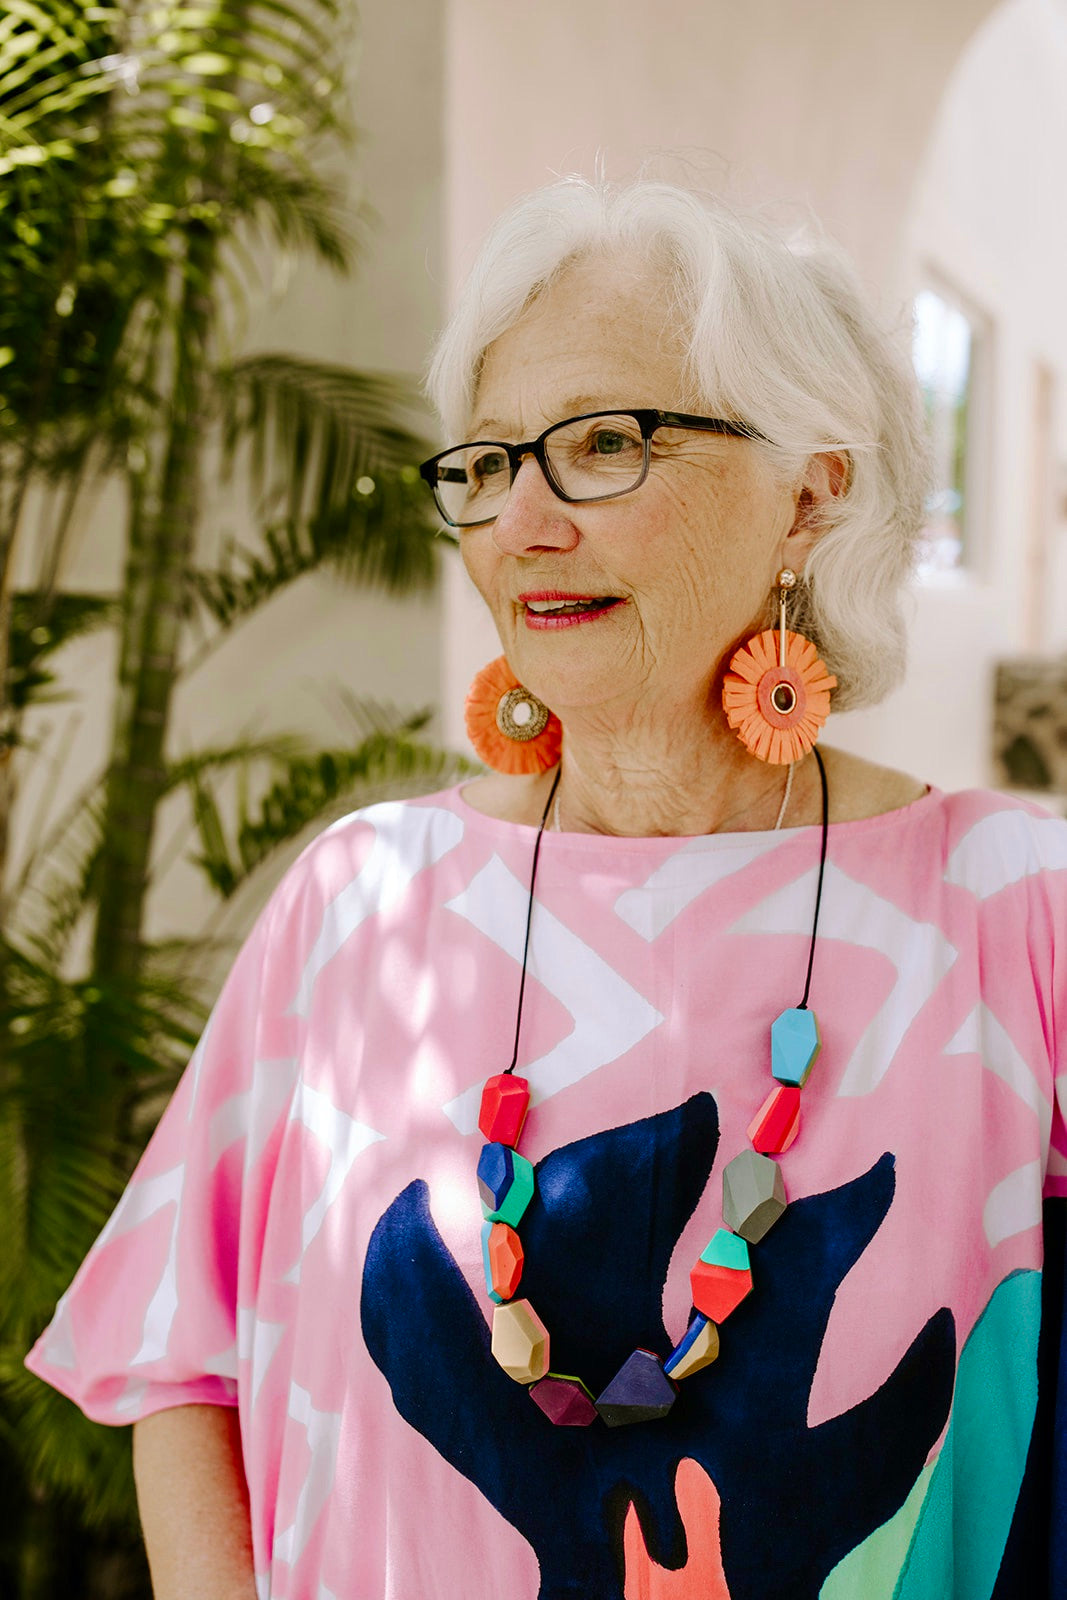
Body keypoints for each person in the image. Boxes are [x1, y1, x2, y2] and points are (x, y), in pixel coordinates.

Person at [26, 177, 1066, 1600]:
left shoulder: (1018, 905)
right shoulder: (360, 900)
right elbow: (177, 1363)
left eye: (604, 445)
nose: (522, 522)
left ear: (812, 492)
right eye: (485, 463)